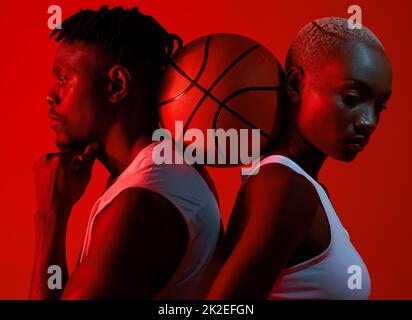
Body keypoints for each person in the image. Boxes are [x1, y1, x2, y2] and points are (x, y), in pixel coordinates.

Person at [30, 5, 223, 299]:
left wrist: (51, 217)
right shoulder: (171, 167)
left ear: (117, 85)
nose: (50, 95)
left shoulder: (143, 200)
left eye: (63, 79)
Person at [208, 17, 392, 299]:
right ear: (296, 84)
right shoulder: (286, 187)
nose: (368, 121)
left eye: (379, 107)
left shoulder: (300, 186)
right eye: (352, 97)